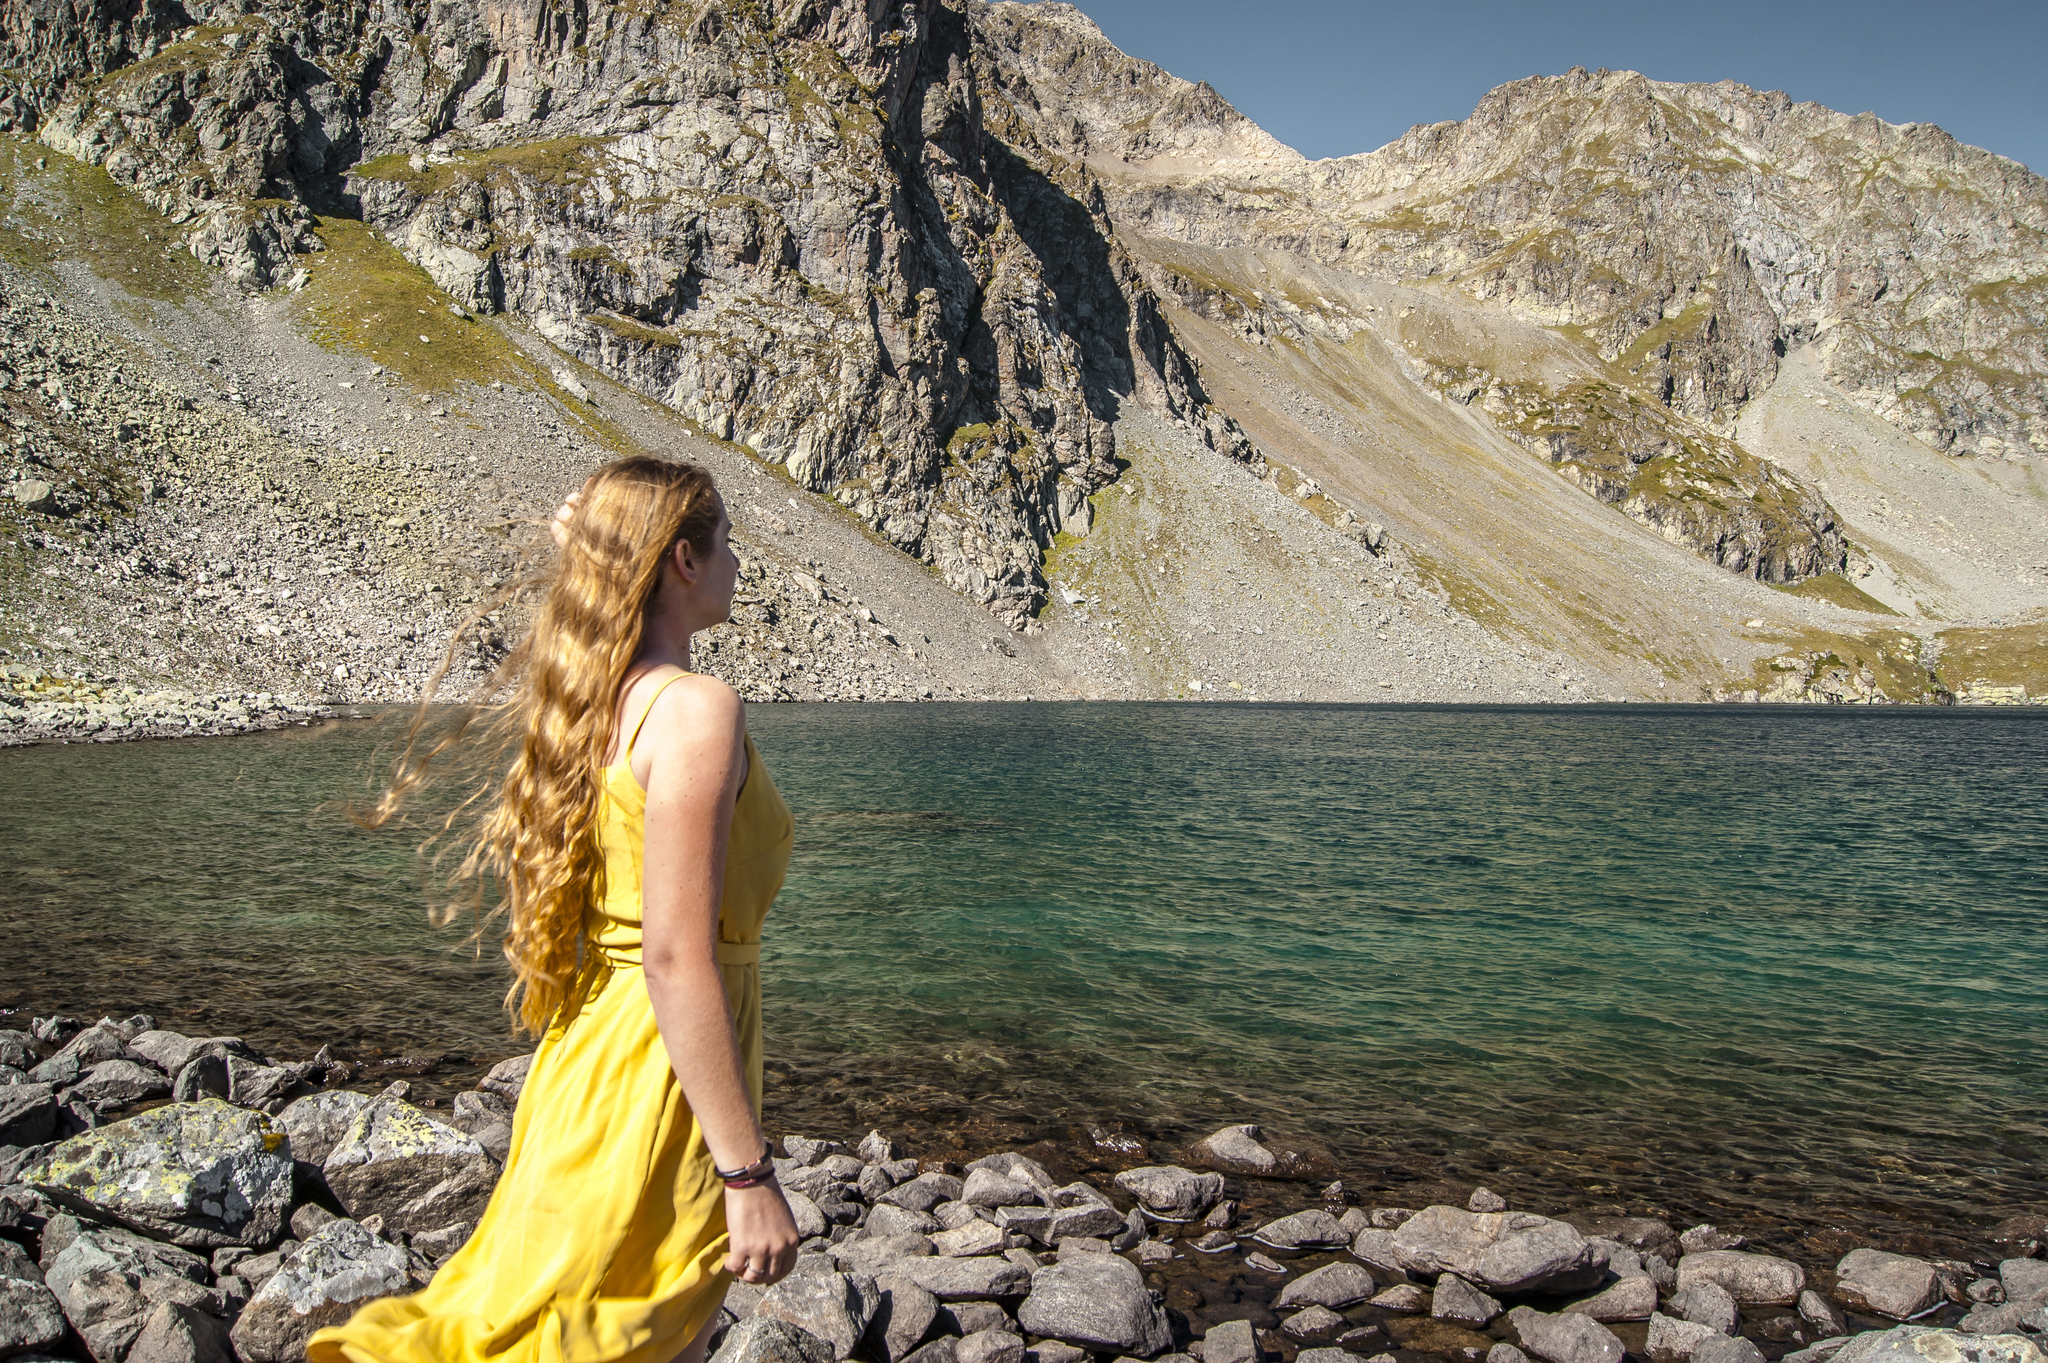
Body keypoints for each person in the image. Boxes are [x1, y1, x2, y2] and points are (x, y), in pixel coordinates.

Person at [309, 456, 801, 1363]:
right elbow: (676, 959)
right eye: (726, 540)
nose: (739, 563)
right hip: (658, 1072)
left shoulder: (592, 701)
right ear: (685, 562)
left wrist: (589, 546)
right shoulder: (697, 711)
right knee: (633, 1333)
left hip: (589, 1057)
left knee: (577, 1321)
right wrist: (748, 1172)